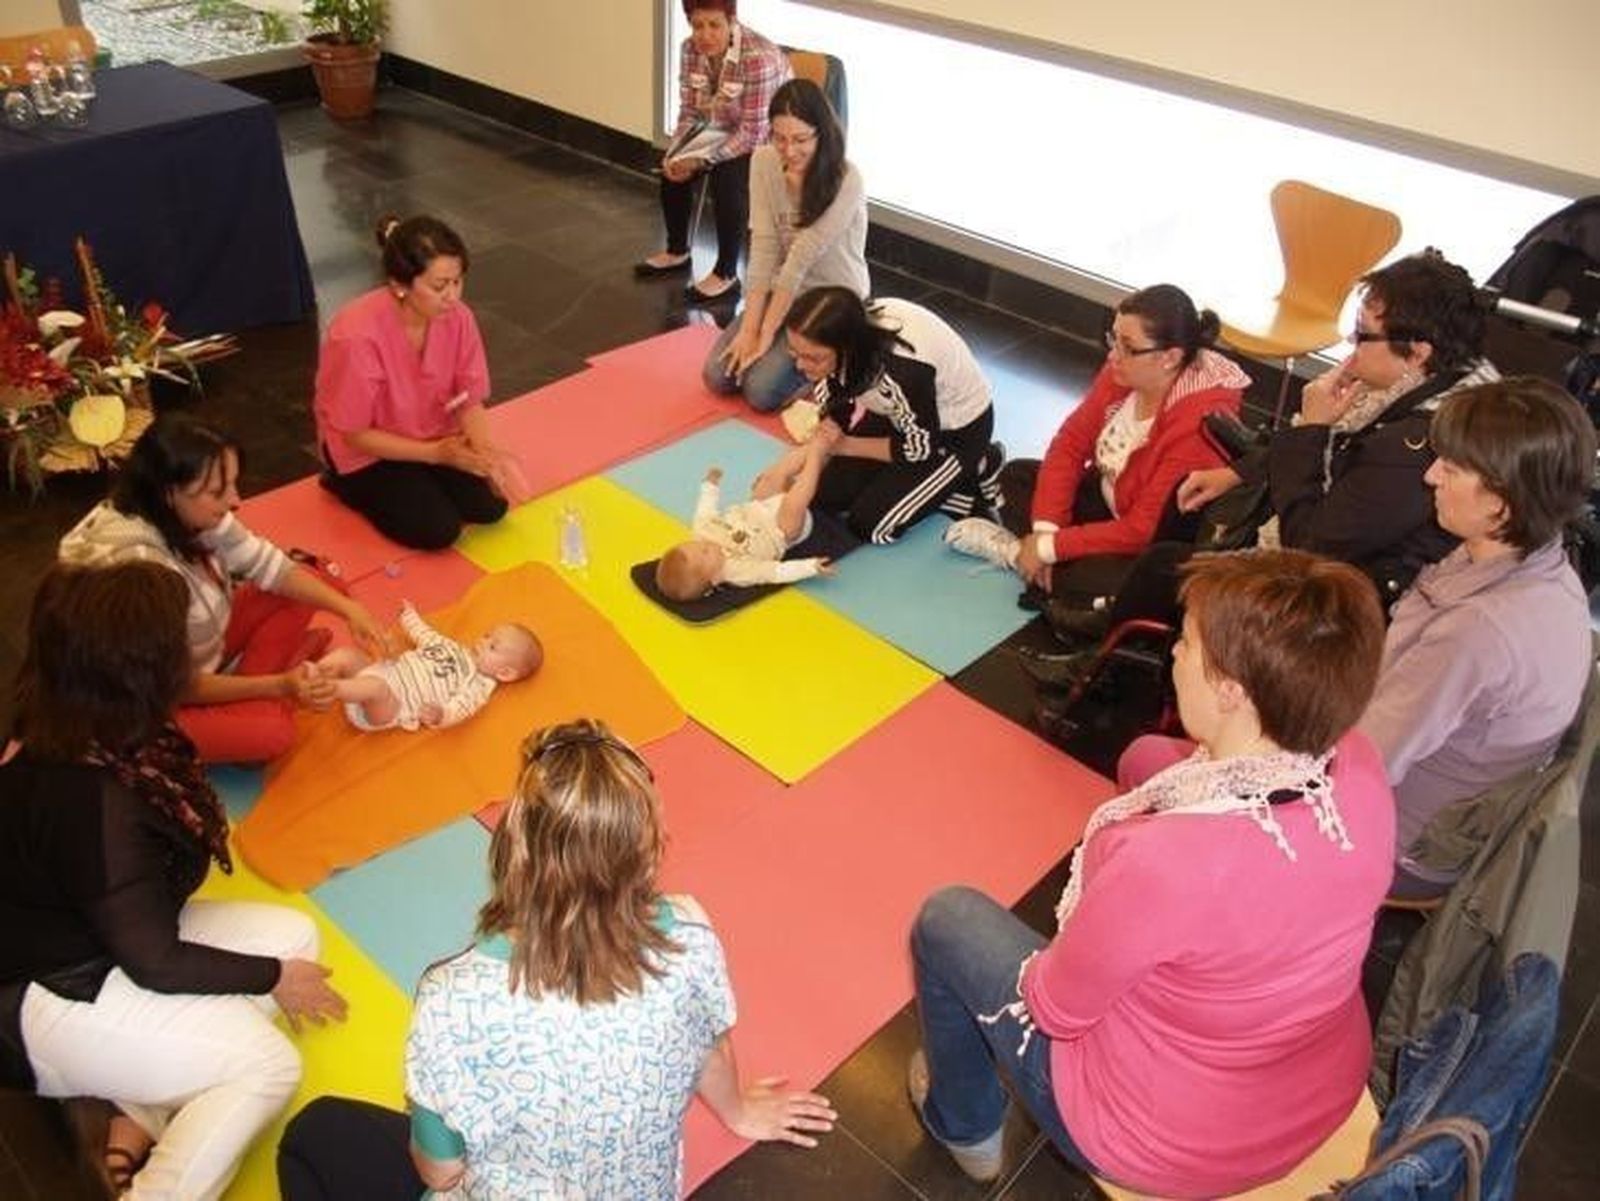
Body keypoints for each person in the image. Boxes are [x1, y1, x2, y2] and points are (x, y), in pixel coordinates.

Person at [907, 549, 1394, 1195]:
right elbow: (1169, 770)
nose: (1173, 655)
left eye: (1186, 643)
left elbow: (1057, 1004)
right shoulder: (1356, 765)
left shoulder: (1168, 864)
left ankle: (963, 1122)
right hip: (1313, 1081)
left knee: (946, 920)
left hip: (1165, 1135)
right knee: (1143, 757)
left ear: (1231, 689)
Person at [276, 719, 836, 1200]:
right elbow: (709, 1043)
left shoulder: (454, 997)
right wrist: (737, 1111)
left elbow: (442, 1172)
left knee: (312, 1133)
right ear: (647, 850)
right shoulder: (689, 932)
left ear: (515, 851)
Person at [0, 561, 347, 1199]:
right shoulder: (94, 798)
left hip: (99, 934)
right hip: (48, 992)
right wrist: (273, 981)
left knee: (293, 936)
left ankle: (135, 1112)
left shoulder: (76, 715)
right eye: (175, 651)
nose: (190, 657)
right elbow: (154, 961)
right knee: (268, 1066)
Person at [1030, 249, 1498, 671]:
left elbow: (1311, 542)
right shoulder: (1432, 390)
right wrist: (1238, 470)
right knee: (1163, 525)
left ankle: (1106, 666)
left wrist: (1311, 431)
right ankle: (1114, 628)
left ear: (1417, 353)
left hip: (1345, 601)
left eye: (1361, 336)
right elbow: (1070, 442)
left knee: (1166, 564)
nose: (1349, 350)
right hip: (1340, 549)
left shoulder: (1416, 448)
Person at [1360, 377, 1595, 898]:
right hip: (1453, 825)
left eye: (1452, 467)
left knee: (1154, 761)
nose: (1430, 475)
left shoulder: (1478, 630)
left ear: (1502, 502)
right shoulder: (1542, 565)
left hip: (1399, 843)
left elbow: (1366, 763)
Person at [58, 413, 389, 764]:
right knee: (272, 735)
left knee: (317, 580)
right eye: (218, 491)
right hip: (146, 703)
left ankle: (257, 695)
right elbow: (178, 685)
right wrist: (280, 684)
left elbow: (270, 566)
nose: (235, 500)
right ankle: (258, 704)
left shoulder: (185, 512)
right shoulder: (141, 577)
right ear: (169, 493)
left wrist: (350, 609)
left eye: (232, 483)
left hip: (199, 652)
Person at [942, 284, 1248, 608]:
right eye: (1113, 338)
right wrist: (1048, 531)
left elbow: (1143, 529)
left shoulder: (1198, 423)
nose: (1112, 355)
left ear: (1169, 358)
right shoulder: (1123, 371)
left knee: (1121, 585)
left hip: (1148, 543)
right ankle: (1032, 560)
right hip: (1109, 498)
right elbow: (1070, 444)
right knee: (1016, 477)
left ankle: (1019, 555)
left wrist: (1050, 548)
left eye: (1127, 347)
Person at [315, 214, 512, 550]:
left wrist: (487, 458)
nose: (452, 296)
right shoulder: (355, 336)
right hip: (367, 453)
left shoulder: (458, 318)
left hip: (433, 437)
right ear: (399, 285)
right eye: (439, 286)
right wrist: (436, 454)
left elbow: (469, 399)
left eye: (458, 281)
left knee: (491, 507)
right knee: (438, 531)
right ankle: (340, 482)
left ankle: (424, 473)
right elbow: (354, 434)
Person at [762, 287, 1002, 545]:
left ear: (847, 349)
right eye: (794, 353)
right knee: (823, 498)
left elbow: (919, 449)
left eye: (813, 358)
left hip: (953, 433)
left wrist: (845, 446)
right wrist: (795, 461)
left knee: (872, 526)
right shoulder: (842, 336)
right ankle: (912, 481)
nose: (800, 365)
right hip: (897, 413)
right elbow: (836, 408)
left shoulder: (903, 371)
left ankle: (977, 466)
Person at [702, 78, 869, 411]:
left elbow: (800, 258)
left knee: (760, 393)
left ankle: (831, 366)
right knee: (718, 376)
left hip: (829, 299)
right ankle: (787, 351)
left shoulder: (847, 179)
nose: (789, 150)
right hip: (784, 291)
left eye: (800, 139)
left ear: (822, 134)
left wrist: (766, 336)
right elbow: (763, 247)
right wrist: (750, 327)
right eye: (779, 138)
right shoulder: (763, 161)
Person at [635, 0, 791, 305]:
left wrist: (705, 158)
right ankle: (677, 251)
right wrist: (678, 151)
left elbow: (755, 133)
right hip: (724, 127)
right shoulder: (690, 50)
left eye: (714, 25)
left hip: (772, 137)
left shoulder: (759, 58)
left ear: (732, 20)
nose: (704, 35)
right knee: (673, 168)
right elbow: (690, 112)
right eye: (697, 25)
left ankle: (726, 273)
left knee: (726, 178)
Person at [315, 603, 543, 732]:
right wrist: (409, 616)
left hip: (390, 705)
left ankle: (326, 688)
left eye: (492, 646)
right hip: (383, 670)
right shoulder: (452, 646)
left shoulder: (478, 685)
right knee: (347, 656)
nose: (482, 642)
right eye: (486, 635)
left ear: (505, 673)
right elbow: (425, 634)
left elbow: (461, 709)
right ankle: (311, 676)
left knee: (376, 688)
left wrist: (441, 714)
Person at [656, 443, 835, 600]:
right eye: (705, 553)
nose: (705, 545)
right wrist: (810, 567)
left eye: (693, 545)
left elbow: (705, 509)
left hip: (759, 506)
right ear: (714, 578)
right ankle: (816, 455)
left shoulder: (702, 533)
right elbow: (774, 573)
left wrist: (710, 485)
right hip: (783, 530)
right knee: (793, 503)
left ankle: (819, 443)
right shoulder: (736, 572)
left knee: (770, 477)